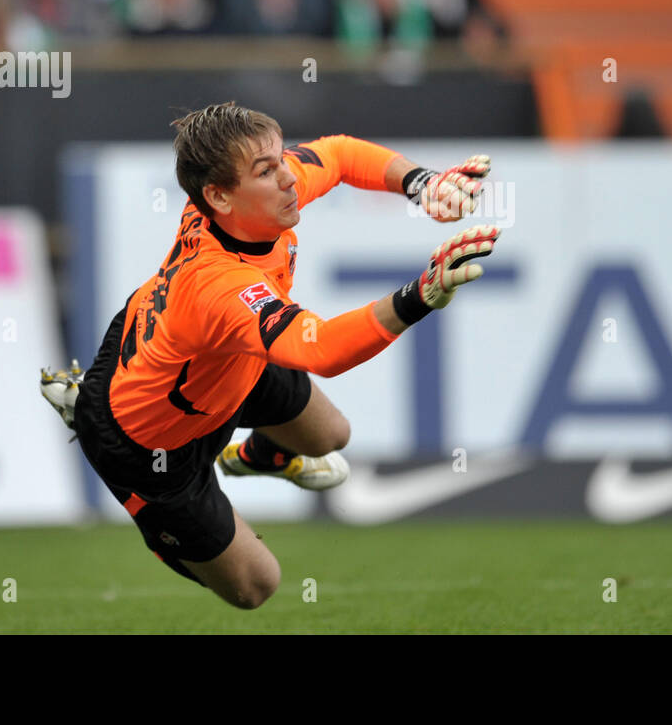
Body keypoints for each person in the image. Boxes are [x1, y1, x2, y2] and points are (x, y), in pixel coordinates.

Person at [40, 103, 499, 609]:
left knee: (330, 437)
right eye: (267, 170)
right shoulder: (220, 286)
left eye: (281, 160)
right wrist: (421, 295)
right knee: (256, 587)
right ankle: (152, 513)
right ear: (218, 195)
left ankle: (256, 457)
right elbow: (320, 349)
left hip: (206, 366)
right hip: (147, 444)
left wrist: (422, 183)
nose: (288, 177)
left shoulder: (240, 202)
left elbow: (342, 154)